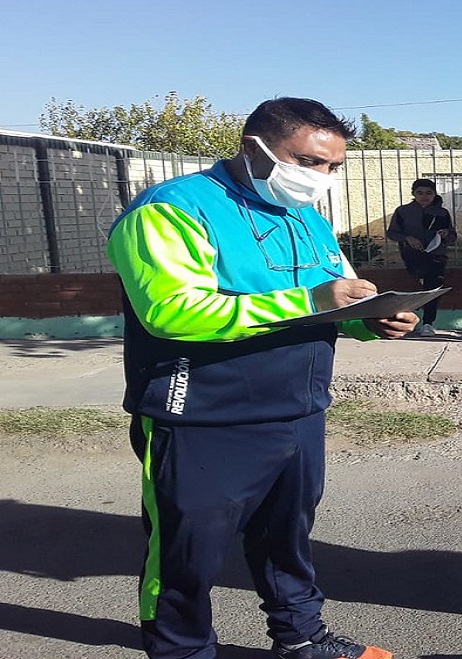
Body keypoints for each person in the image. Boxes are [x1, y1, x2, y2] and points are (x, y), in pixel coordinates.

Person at [107, 97, 415, 659]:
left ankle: (302, 639)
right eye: (308, 161)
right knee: (186, 554)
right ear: (255, 148)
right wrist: (308, 299)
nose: (319, 177)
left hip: (297, 411)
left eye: (332, 166)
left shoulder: (309, 219)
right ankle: (182, 649)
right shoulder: (170, 210)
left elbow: (336, 301)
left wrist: (375, 320)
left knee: (288, 542)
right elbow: (171, 311)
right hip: (200, 415)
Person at [386, 178, 456, 337]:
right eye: (420, 193)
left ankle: (427, 323)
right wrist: (408, 238)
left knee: (433, 286)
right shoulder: (403, 211)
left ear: (434, 194)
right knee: (425, 280)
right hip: (413, 255)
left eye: (429, 193)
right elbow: (392, 233)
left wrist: (445, 234)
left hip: (436, 255)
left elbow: (452, 235)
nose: (424, 196)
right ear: (413, 194)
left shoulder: (442, 212)